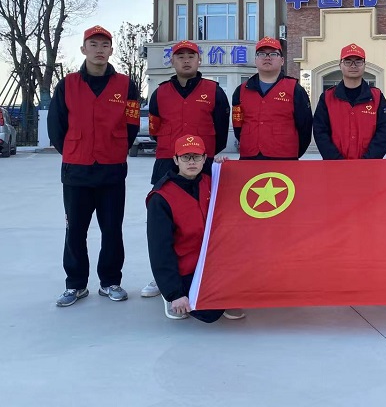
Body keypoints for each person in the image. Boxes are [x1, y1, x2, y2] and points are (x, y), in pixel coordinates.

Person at [48, 25, 140, 307]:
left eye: (104, 45)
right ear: (83, 49)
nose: (99, 50)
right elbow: (56, 126)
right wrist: (75, 149)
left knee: (112, 229)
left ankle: (110, 281)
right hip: (76, 170)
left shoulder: (126, 85)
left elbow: (132, 123)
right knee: (75, 230)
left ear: (111, 50)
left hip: (112, 169)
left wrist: (115, 147)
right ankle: (75, 285)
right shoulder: (67, 84)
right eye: (94, 44)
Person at [139, 39, 231, 299]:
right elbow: (155, 129)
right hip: (167, 161)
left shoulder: (213, 91)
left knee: (204, 219)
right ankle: (163, 277)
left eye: (191, 56)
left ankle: (206, 270)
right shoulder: (160, 93)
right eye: (180, 56)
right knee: (163, 223)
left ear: (199, 60)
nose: (186, 60)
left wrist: (203, 156)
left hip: (202, 162)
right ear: (172, 61)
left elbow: (220, 129)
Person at [146, 135, 245, 322]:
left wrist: (225, 168)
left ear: (204, 158)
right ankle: (171, 295)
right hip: (187, 266)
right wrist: (173, 293)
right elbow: (160, 249)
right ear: (176, 160)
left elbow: (242, 193)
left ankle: (224, 294)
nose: (191, 162)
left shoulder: (213, 181)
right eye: (185, 157)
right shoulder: (161, 197)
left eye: (197, 156)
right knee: (208, 314)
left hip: (213, 262)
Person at [231, 37, 313, 160]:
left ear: (282, 60)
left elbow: (305, 127)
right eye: (262, 54)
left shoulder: (295, 89)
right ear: (255, 60)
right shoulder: (241, 90)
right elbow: (238, 126)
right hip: (250, 158)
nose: (267, 57)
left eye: (273, 54)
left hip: (284, 158)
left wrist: (293, 153)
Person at [312, 43, 386, 159]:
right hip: (335, 166)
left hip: (369, 166)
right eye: (348, 61)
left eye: (358, 61)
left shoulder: (376, 97)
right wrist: (336, 161)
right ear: (340, 65)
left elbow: (384, 130)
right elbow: (320, 131)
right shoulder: (327, 97)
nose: (353, 66)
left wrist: (367, 161)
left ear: (364, 65)